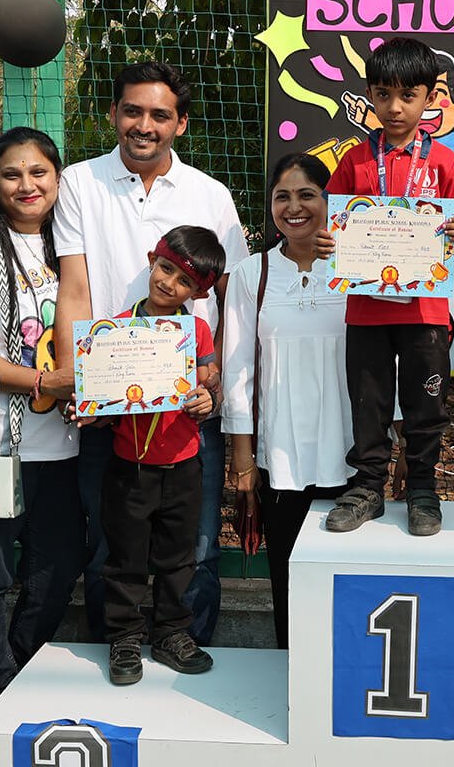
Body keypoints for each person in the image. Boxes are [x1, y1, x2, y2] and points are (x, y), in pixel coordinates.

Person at [54, 61, 248, 645]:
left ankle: (187, 651)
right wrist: (78, 382)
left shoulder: (210, 195)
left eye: (160, 115)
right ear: (112, 113)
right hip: (111, 407)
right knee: (110, 544)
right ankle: (116, 651)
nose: (144, 125)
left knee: (195, 545)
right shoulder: (79, 183)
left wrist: (213, 379)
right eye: (132, 111)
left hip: (187, 411)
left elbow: (232, 299)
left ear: (180, 124)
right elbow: (75, 291)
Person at [0, 127, 83, 704]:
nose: (27, 185)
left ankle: (21, 670)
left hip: (65, 442)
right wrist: (45, 382)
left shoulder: (72, 240)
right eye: (12, 174)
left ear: (58, 178)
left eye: (39, 172)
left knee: (58, 567)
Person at [320, 37, 454, 537]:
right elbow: (335, 223)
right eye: (384, 94)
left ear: (430, 97)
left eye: (408, 95)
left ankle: (423, 487)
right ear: (370, 95)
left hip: (425, 311)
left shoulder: (444, 161)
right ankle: (367, 486)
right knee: (369, 401)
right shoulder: (355, 160)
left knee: (426, 403)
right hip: (366, 308)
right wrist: (327, 240)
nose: (395, 107)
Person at [222, 153, 355, 648]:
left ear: (329, 201)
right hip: (279, 459)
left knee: (346, 582)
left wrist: (401, 439)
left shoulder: (358, 267)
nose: (294, 207)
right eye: (282, 196)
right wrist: (243, 457)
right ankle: (290, 670)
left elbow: (388, 361)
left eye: (307, 195)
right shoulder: (251, 273)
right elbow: (237, 367)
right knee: (289, 577)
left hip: (350, 453)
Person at [100, 225, 223, 686]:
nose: (169, 283)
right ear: (153, 261)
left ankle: (171, 632)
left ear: (199, 293)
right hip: (129, 466)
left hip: (184, 464)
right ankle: (124, 637)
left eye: (184, 281)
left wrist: (208, 398)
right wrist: (91, 407)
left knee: (178, 557)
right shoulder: (116, 329)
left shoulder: (197, 331)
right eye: (166, 269)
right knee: (126, 557)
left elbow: (210, 382)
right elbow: (101, 397)